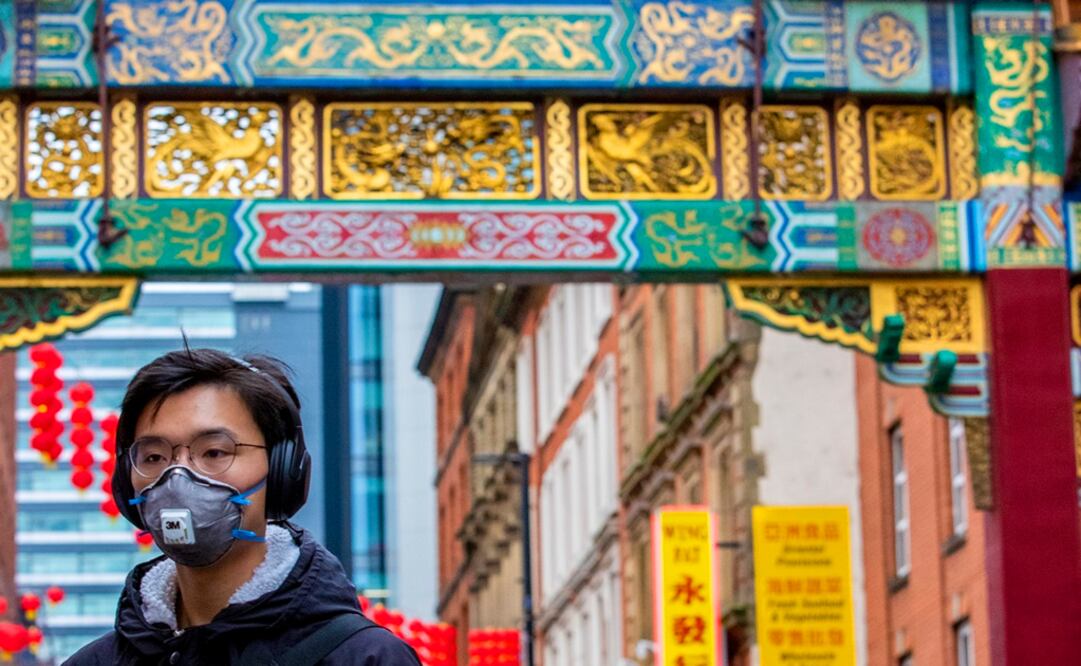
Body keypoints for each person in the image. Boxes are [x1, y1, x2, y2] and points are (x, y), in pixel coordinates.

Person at [65, 348, 422, 665]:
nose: (178, 477)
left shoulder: (365, 657)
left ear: (283, 469)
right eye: (154, 456)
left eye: (215, 452)